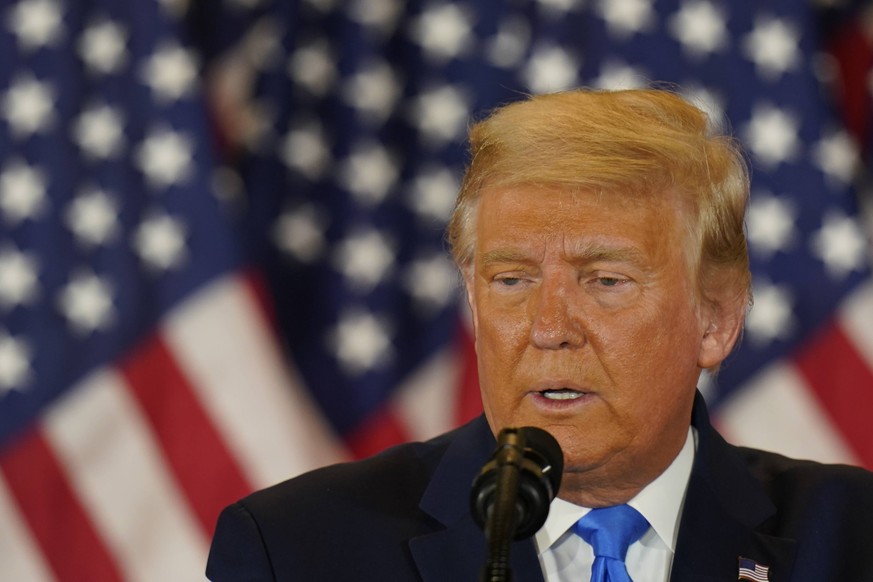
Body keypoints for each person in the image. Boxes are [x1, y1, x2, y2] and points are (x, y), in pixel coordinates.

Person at [205, 88, 873, 581]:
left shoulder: (849, 540)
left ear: (716, 318)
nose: (549, 330)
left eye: (605, 281)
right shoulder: (296, 551)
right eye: (511, 281)